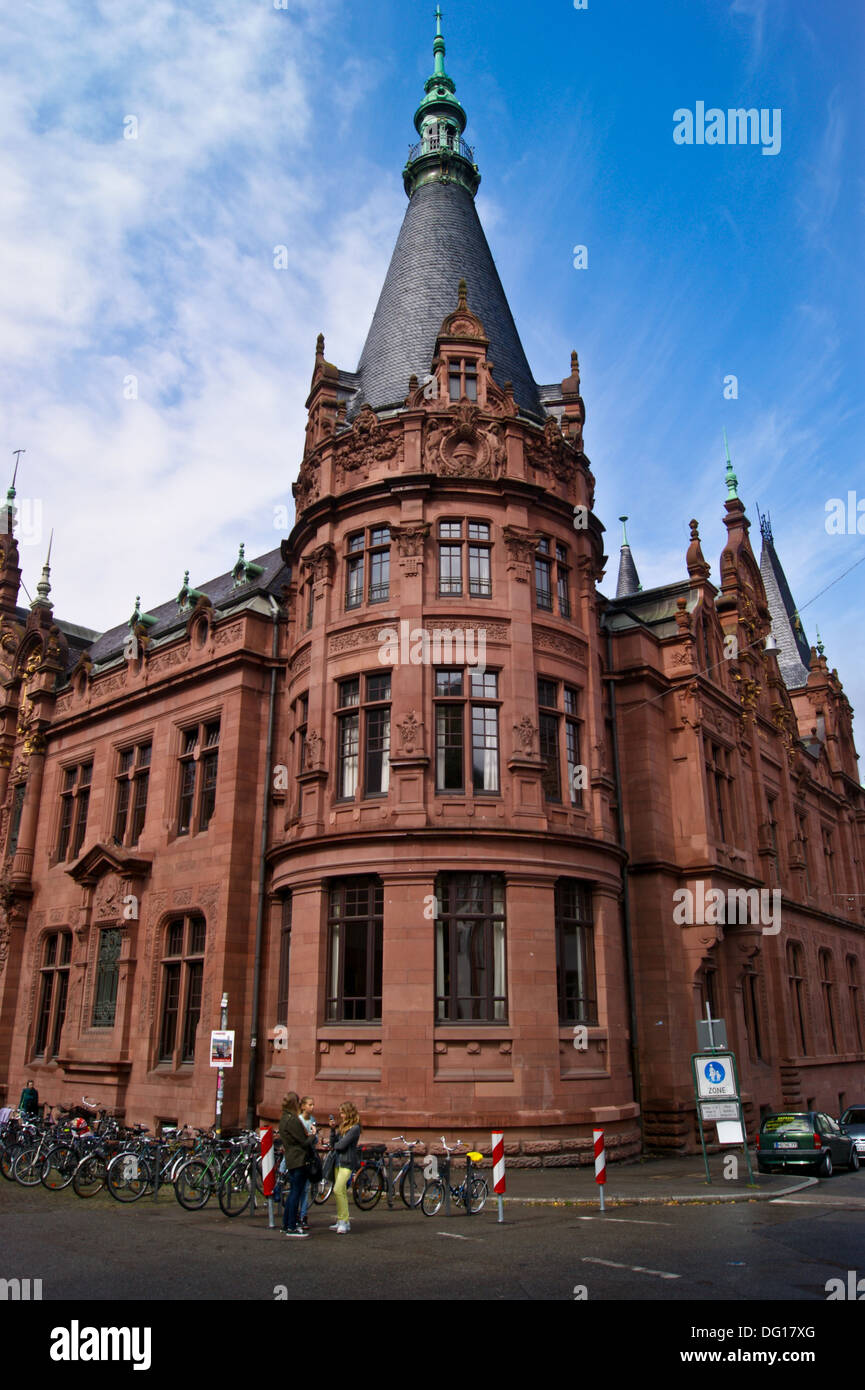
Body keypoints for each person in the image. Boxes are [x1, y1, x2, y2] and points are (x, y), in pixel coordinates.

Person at [278, 1092, 315, 1238]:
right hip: (298, 1159)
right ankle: (291, 1226)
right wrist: (312, 1135)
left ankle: (287, 1224)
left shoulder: (284, 1118)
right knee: (295, 1193)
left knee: (294, 1192)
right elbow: (303, 1142)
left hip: (291, 1158)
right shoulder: (292, 1120)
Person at [330, 1101, 361, 1235]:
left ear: (348, 1113)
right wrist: (332, 1130)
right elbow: (334, 1142)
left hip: (347, 1163)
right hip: (338, 1162)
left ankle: (343, 1221)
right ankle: (343, 1219)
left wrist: (335, 1145)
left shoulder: (355, 1128)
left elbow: (341, 1145)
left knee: (338, 1190)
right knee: (340, 1191)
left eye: (342, 1112)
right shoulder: (343, 1126)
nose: (341, 1115)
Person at [298, 1095, 317, 1232]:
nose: (312, 1107)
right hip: (298, 1156)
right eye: (310, 1104)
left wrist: (314, 1136)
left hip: (308, 1157)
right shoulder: (297, 1120)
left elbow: (313, 1141)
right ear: (303, 1106)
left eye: (313, 1105)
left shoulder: (313, 1120)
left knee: (305, 1189)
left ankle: (303, 1216)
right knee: (298, 1188)